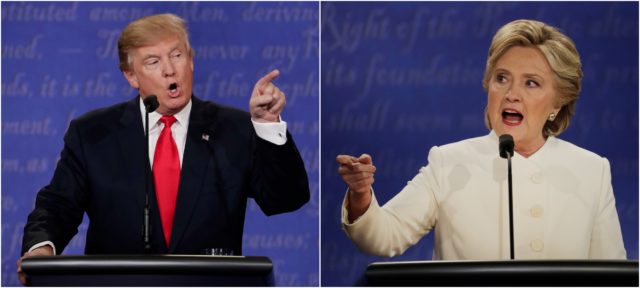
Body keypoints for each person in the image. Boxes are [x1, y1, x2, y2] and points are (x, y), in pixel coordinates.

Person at [18, 13, 310, 284]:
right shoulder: (93, 133)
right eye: (153, 62)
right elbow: (57, 206)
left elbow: (286, 199)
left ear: (191, 61)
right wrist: (41, 249)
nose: (170, 70)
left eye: (177, 55)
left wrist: (268, 126)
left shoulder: (234, 129)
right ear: (131, 76)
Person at [337, 19, 626, 260]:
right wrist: (361, 196)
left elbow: (612, 275)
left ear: (558, 103)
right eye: (502, 78)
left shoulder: (591, 170)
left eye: (531, 83)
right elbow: (384, 236)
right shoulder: (449, 163)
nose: (512, 93)